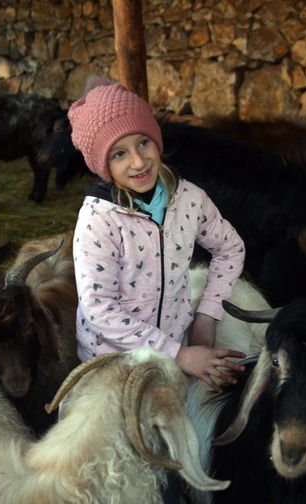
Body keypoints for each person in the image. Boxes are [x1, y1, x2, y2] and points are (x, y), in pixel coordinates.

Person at [68, 77, 247, 391]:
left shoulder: (189, 199)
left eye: (143, 142)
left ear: (157, 140)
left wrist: (207, 313)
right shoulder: (99, 220)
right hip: (111, 361)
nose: (138, 162)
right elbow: (99, 309)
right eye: (118, 154)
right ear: (102, 165)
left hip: (174, 352)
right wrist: (179, 355)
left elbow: (230, 248)